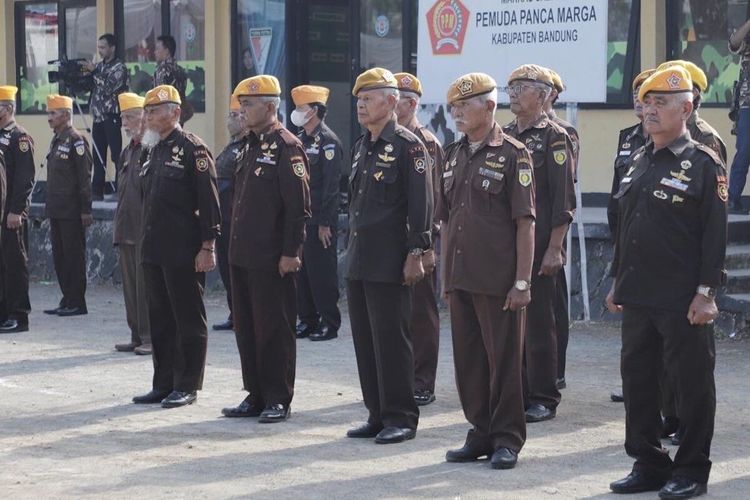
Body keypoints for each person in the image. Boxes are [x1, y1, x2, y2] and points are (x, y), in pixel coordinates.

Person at [606, 66, 726, 499]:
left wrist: (707, 292)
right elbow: (627, 225)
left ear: (687, 108)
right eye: (648, 102)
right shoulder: (638, 157)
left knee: (691, 385)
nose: (650, 110)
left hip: (682, 298)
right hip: (638, 293)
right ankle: (649, 462)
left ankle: (691, 469)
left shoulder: (703, 162)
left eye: (662, 103)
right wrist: (617, 278)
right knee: (638, 383)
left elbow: (715, 236)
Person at [439, 72, 535, 470]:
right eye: (454, 108)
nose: (457, 113)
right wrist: (445, 278)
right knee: (469, 362)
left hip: (499, 282)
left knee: (504, 363)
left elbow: (525, 222)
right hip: (462, 278)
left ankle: (507, 438)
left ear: (490, 107)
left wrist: (522, 282)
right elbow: (445, 222)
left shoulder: (514, 154)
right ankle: (479, 431)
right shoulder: (452, 153)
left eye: (465, 106)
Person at [345, 68, 432, 444]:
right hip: (360, 258)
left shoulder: (410, 146)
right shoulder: (363, 144)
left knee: (393, 341)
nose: (361, 104)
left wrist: (417, 251)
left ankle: (401, 416)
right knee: (366, 340)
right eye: (359, 99)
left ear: (392, 101)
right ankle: (376, 413)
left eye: (369, 97)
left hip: (391, 260)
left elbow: (421, 205)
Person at [220, 75, 310, 423]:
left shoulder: (287, 146)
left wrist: (291, 252)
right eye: (242, 105)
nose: (243, 111)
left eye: (250, 105)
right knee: (246, 326)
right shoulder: (248, 145)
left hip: (272, 257)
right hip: (242, 254)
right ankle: (255, 393)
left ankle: (277, 397)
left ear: (271, 107)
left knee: (274, 328)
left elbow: (298, 206)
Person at [132, 85, 220, 409]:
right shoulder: (151, 149)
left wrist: (208, 245)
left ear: (175, 112)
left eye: (154, 111)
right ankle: (163, 382)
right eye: (147, 111)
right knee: (160, 318)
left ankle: (187, 384)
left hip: (184, 248)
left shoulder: (193, 150)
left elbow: (209, 202)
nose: (149, 117)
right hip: (154, 247)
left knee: (187, 318)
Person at [503, 64, 575, 424]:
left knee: (540, 322)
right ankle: (519, 389)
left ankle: (544, 395)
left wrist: (555, 247)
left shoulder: (554, 137)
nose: (514, 93)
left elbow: (563, 199)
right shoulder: (503, 135)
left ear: (545, 95)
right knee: (511, 322)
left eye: (524, 87)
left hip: (541, 240)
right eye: (512, 86)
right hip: (510, 245)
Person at [394, 72, 442, 406]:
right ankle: (399, 378)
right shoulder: (384, 140)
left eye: (393, 99)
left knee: (421, 315)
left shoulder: (426, 143)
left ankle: (422, 381)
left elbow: (435, 199)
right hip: (390, 243)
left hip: (420, 241)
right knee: (395, 316)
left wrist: (425, 247)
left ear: (410, 104)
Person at [606, 68, 655, 403]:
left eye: (648, 95)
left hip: (662, 245)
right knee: (633, 329)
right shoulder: (628, 137)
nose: (640, 101)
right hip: (628, 240)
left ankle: (667, 398)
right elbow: (615, 194)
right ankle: (634, 386)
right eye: (637, 94)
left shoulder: (689, 141)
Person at [290, 85, 342, 342]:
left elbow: (332, 187)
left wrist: (326, 224)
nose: (297, 112)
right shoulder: (300, 139)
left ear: (315, 111)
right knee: (303, 271)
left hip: (320, 218)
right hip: (302, 217)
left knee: (322, 272)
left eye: (301, 108)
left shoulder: (329, 142)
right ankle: (307, 319)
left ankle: (329, 322)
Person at [542, 68, 579, 391]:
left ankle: (556, 371)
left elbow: (565, 188)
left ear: (551, 95)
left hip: (550, 229)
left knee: (553, 308)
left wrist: (556, 244)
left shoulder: (563, 133)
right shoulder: (513, 131)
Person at [43, 94, 93, 317]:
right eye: (49, 113)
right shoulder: (57, 138)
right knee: (60, 257)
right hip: (56, 209)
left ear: (65, 114)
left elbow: (84, 178)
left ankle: (77, 301)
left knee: (73, 256)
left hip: (72, 211)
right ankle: (67, 298)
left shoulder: (76, 140)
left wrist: (85, 209)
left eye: (53, 113)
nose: (49, 118)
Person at [112, 93, 150, 355]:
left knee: (146, 288)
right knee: (130, 287)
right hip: (126, 227)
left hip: (145, 229)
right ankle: (136, 334)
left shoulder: (152, 148)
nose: (125, 122)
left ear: (144, 117)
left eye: (130, 117)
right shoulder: (128, 151)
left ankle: (150, 337)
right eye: (123, 117)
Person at [0, 86, 35, 333]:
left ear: (8, 108)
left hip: (11, 214)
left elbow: (25, 178)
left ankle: (19, 314)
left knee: (14, 262)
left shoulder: (19, 137)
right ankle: (4, 311)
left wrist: (16, 211)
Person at [212, 95, 246, 332]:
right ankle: (235, 313)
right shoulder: (231, 146)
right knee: (227, 271)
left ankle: (243, 316)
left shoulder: (248, 147)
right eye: (230, 115)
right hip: (223, 219)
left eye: (235, 116)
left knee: (239, 272)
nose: (230, 121)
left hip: (238, 221)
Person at [84, 34, 129, 201]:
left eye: (103, 47)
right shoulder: (99, 66)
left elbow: (110, 87)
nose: (100, 51)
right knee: (98, 155)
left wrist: (94, 71)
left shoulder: (119, 68)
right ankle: (96, 191)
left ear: (112, 48)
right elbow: (91, 84)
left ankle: (120, 190)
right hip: (98, 117)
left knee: (116, 155)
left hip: (111, 116)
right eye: (99, 47)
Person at [728, 19, 750, 213]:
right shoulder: (747, 39)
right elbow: (734, 43)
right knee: (744, 152)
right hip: (748, 105)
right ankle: (732, 198)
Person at [153, 35, 192, 125]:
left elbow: (159, 97)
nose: (155, 52)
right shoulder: (180, 70)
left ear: (166, 51)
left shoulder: (162, 70)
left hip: (164, 117)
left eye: (158, 48)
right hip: (178, 114)